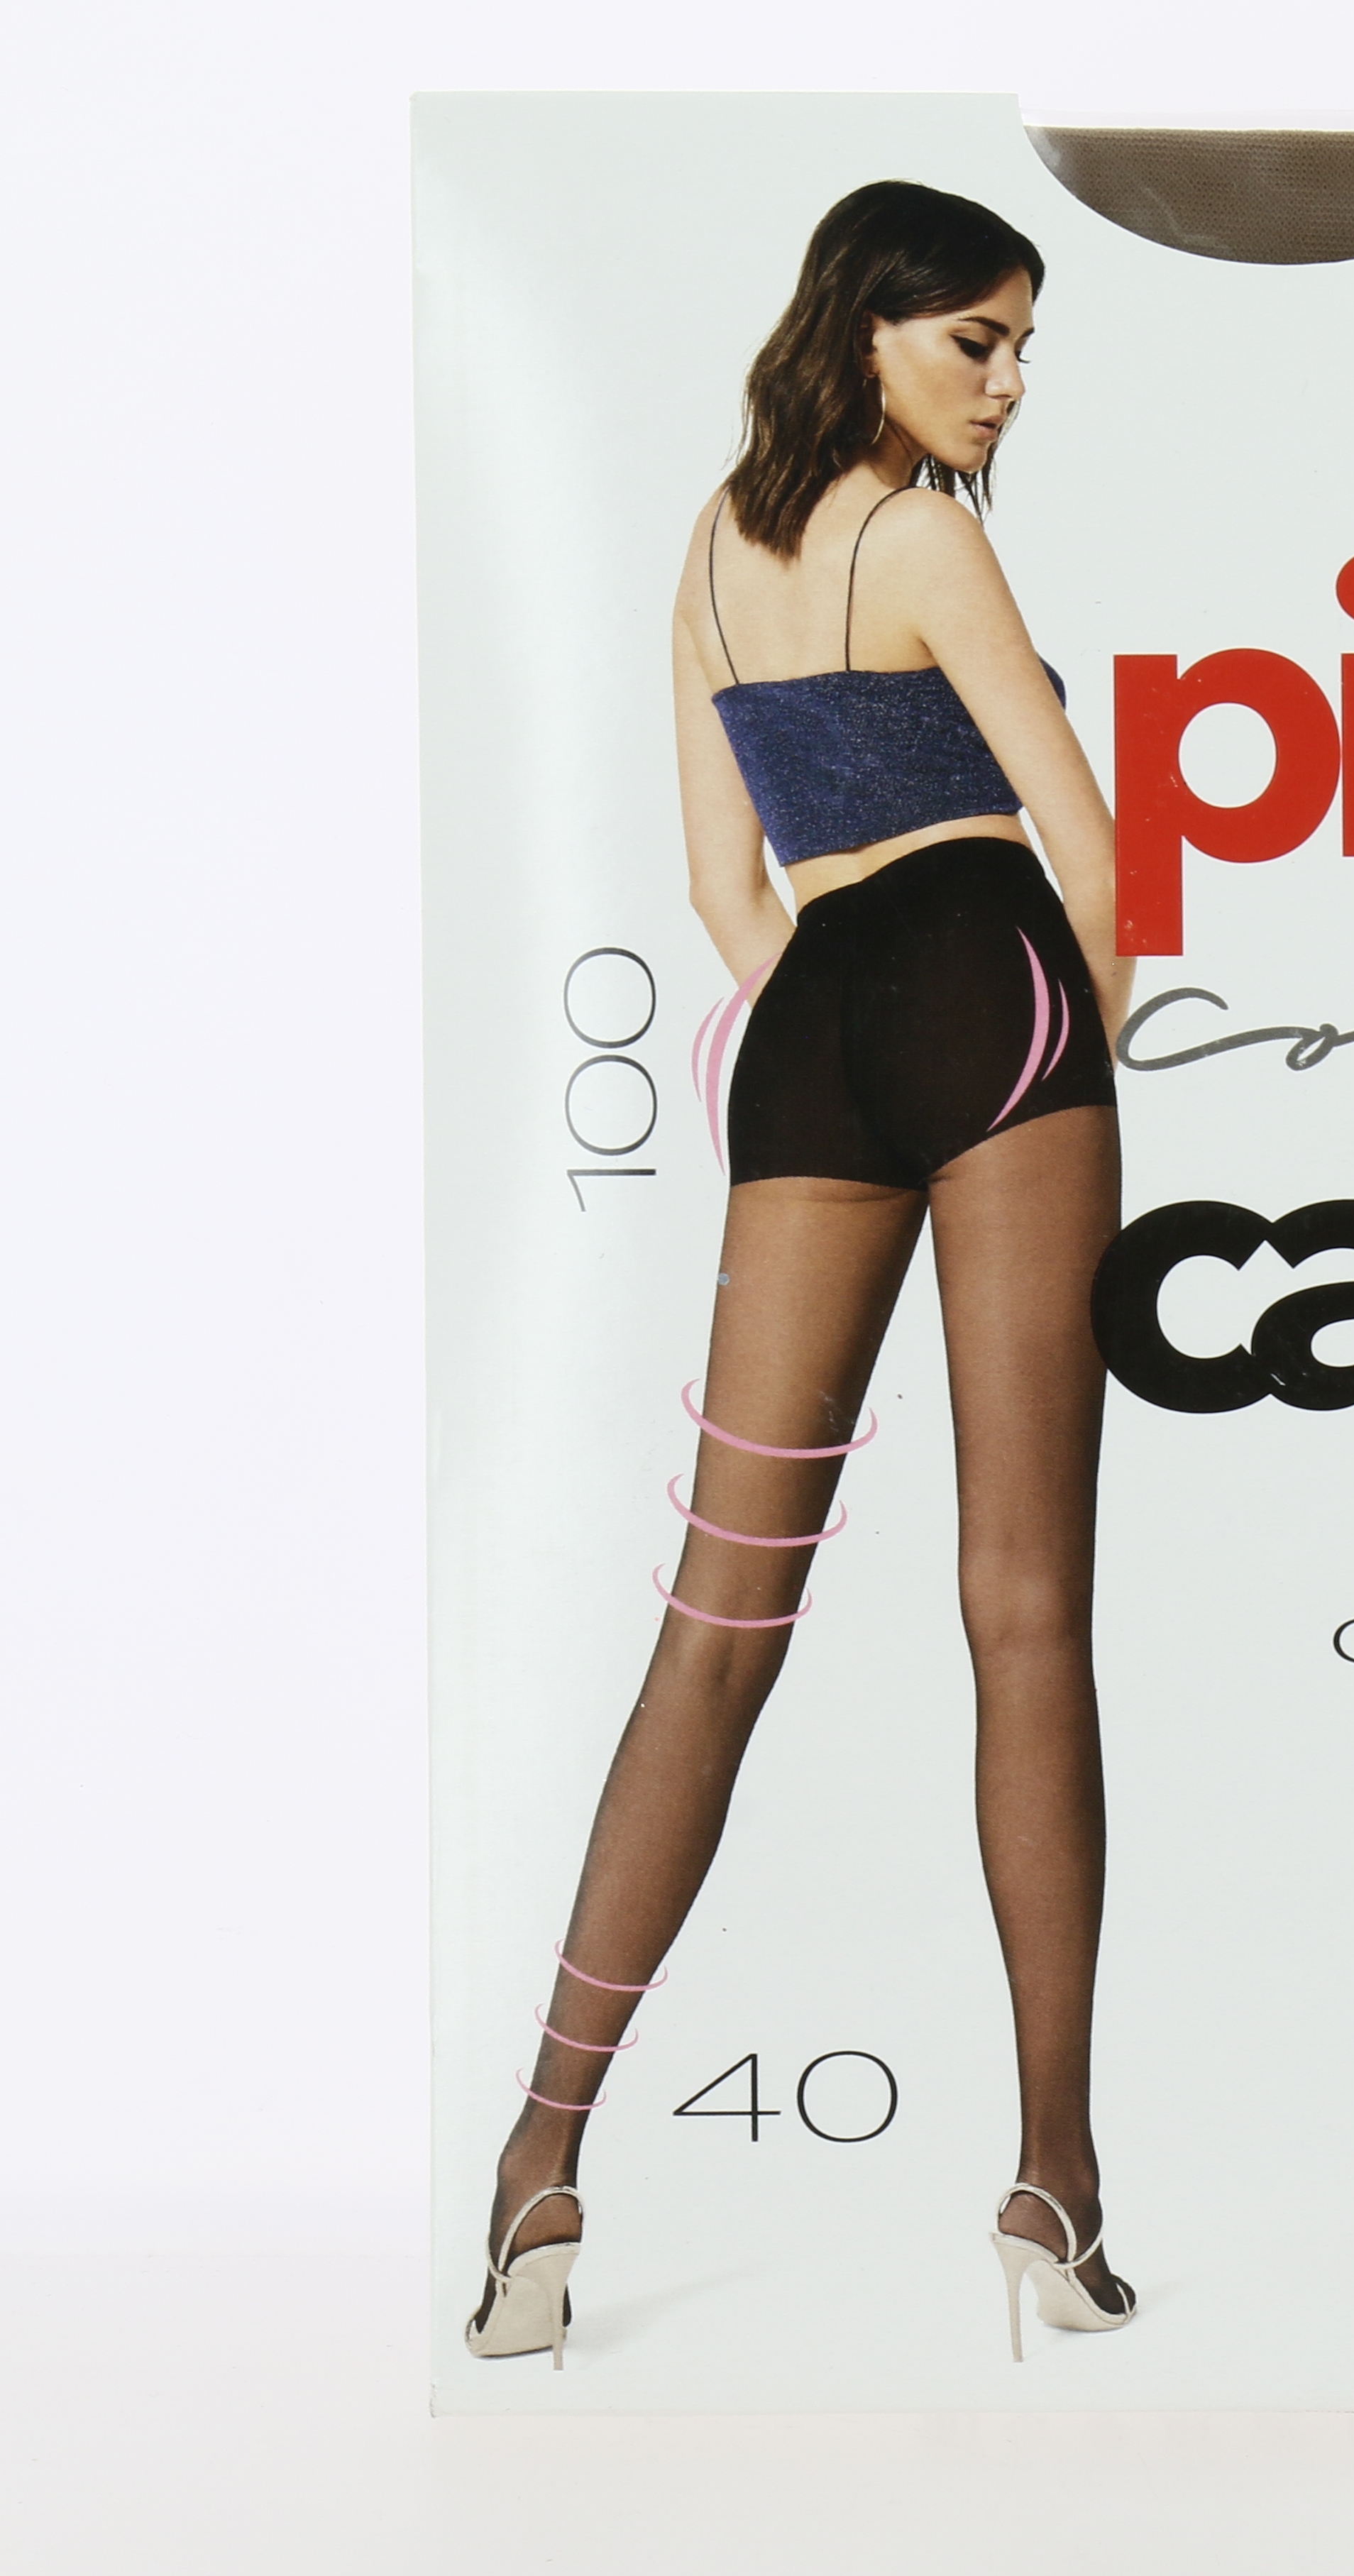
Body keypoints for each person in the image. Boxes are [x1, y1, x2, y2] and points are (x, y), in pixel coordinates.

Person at [468, 179, 1135, 2369]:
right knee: (1022, 1606)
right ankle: (1053, 2182)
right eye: (976, 341)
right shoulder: (922, 534)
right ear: (868, 331)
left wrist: (839, 1041)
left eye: (1022, 346)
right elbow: (1084, 837)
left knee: (717, 1618)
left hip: (810, 1028)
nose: (1007, 383)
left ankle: (539, 2163)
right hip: (992, 992)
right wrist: (1070, 1060)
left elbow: (718, 888)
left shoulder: (705, 555)